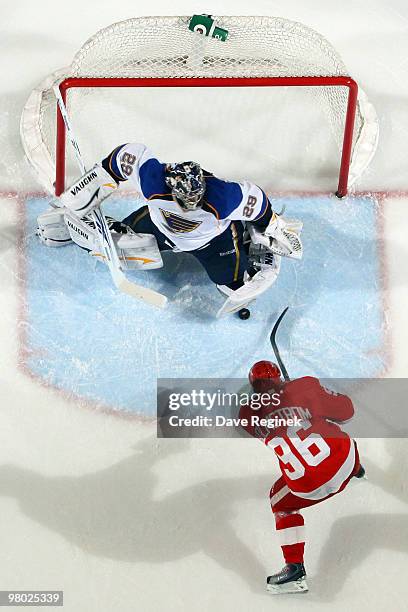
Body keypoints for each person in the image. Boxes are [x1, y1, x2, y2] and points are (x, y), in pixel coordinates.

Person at [36, 143, 303, 313]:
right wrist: (82, 193)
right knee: (118, 240)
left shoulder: (225, 197)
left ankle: (247, 239)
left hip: (214, 243)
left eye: (195, 199)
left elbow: (259, 206)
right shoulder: (154, 181)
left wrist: (272, 228)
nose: (189, 204)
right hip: (159, 228)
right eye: (184, 199)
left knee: (230, 282)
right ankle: (79, 227)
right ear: (171, 187)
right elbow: (126, 157)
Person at [239, 360, 365, 594]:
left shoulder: (247, 415)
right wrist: (310, 398)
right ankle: (358, 469)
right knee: (337, 439)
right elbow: (347, 412)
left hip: (308, 488)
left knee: (279, 502)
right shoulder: (305, 387)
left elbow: (262, 416)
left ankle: (294, 568)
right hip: (344, 462)